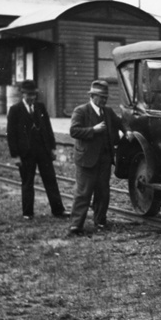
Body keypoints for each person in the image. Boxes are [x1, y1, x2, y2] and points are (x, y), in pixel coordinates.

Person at [7, 79, 68, 220]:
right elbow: (11, 135)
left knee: (51, 180)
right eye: (28, 95)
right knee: (27, 182)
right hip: (26, 153)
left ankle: (58, 210)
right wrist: (15, 155)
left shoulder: (40, 107)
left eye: (33, 95)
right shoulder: (15, 110)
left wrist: (52, 148)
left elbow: (48, 128)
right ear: (22, 94)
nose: (31, 97)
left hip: (43, 151)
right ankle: (28, 213)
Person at [67, 80, 122, 236]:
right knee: (83, 192)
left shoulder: (108, 112)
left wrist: (127, 132)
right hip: (86, 159)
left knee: (103, 192)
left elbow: (120, 123)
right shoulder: (81, 111)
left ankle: (101, 221)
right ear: (92, 96)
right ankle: (76, 225)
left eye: (105, 97)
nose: (104, 100)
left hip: (104, 159)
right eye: (101, 97)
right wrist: (94, 129)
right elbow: (74, 131)